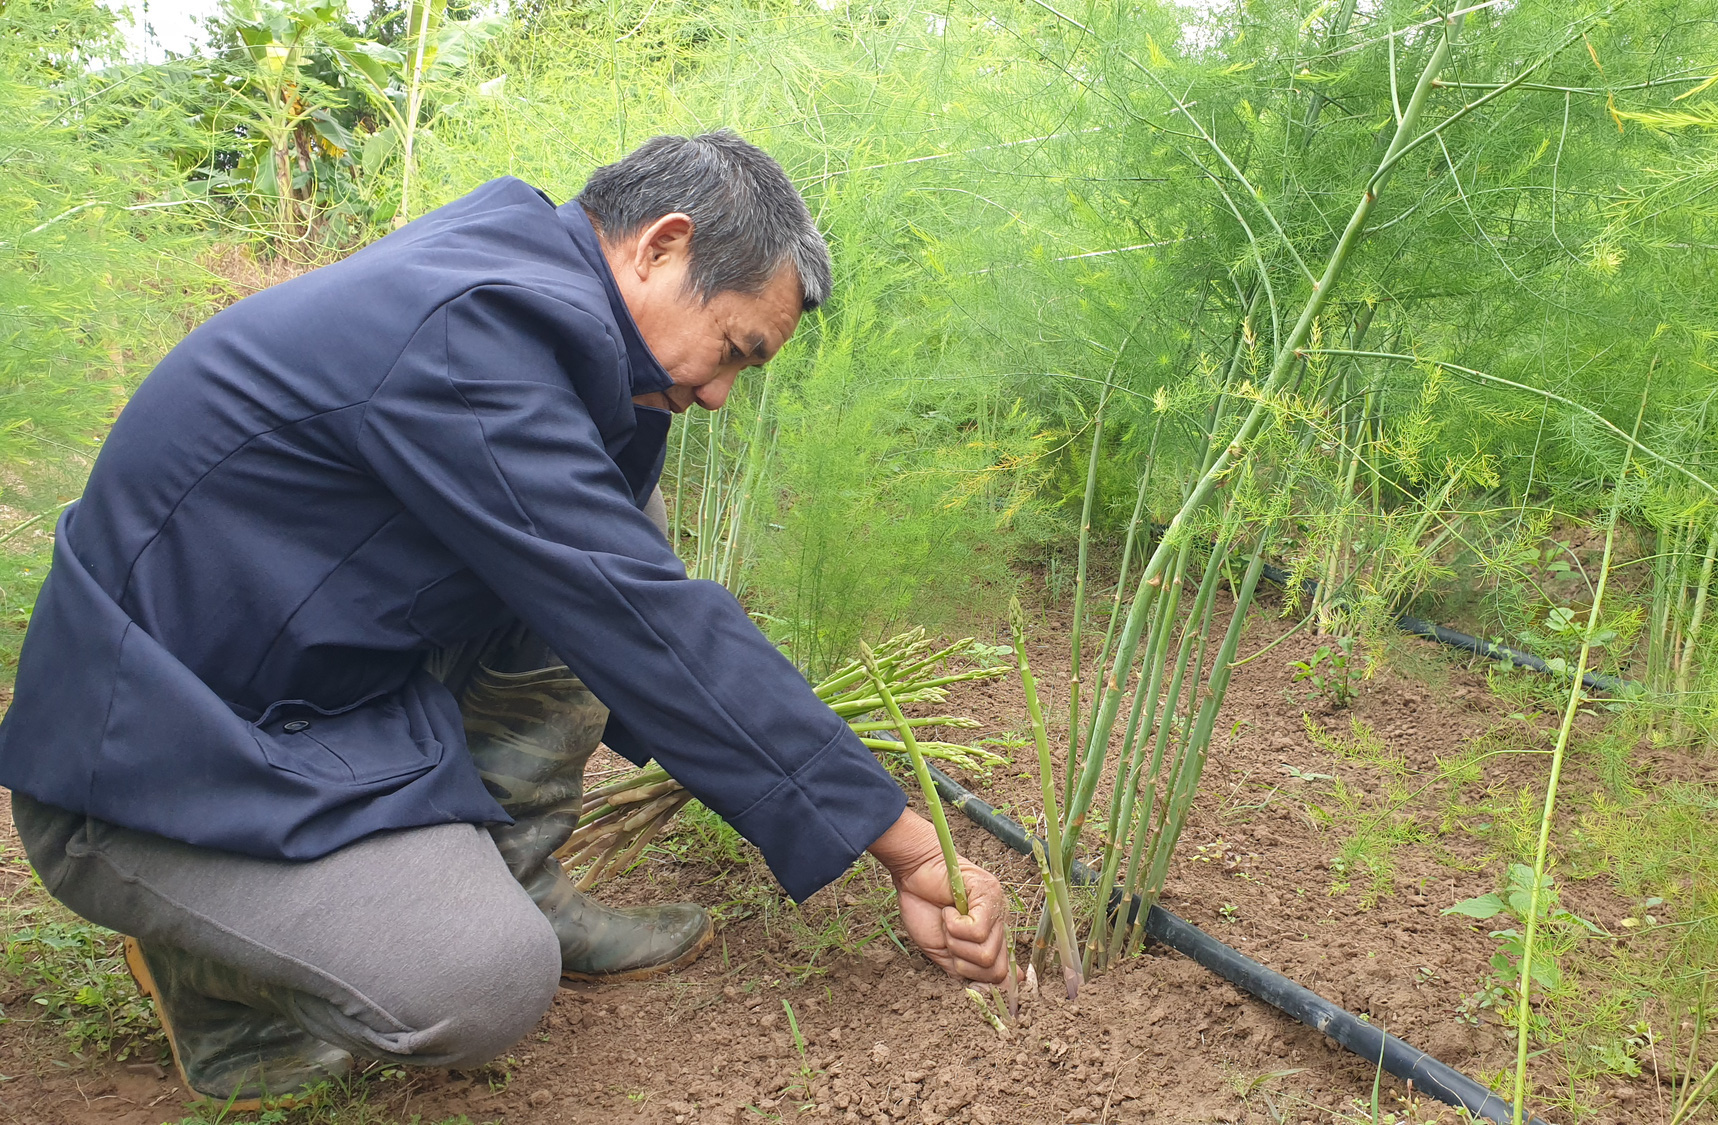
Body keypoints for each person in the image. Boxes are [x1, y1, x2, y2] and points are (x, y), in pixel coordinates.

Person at [0, 130, 1009, 1111]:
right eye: (734, 350)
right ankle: (212, 979)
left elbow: (620, 595)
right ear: (661, 246)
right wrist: (910, 846)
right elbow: (638, 615)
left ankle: (513, 876)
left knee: (621, 517)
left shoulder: (535, 297)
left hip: (308, 687)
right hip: (153, 764)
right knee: (480, 987)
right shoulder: (462, 332)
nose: (718, 395)